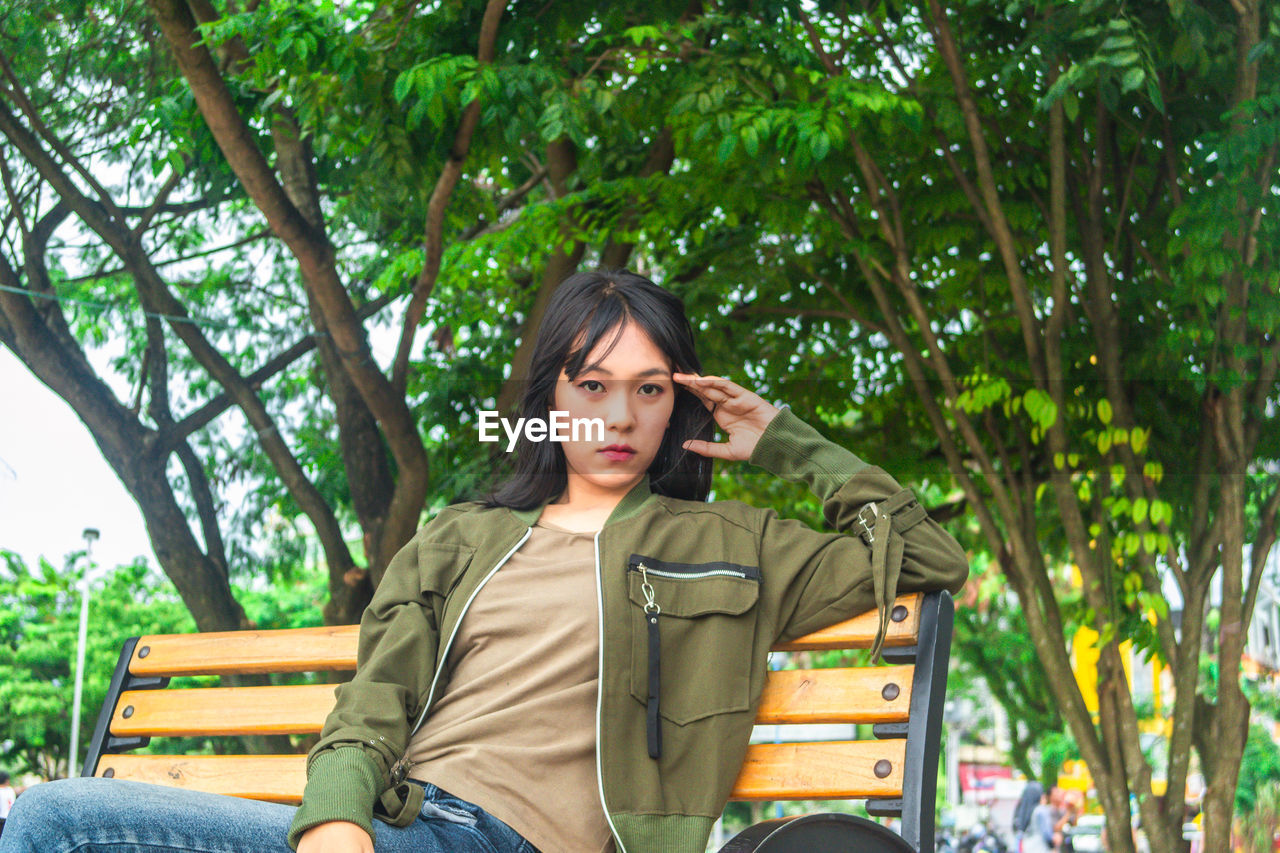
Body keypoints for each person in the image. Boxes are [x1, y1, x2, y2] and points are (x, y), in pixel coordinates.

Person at [0, 269, 969, 853]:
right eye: (591, 384)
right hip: (400, 823)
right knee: (55, 820)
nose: (620, 416)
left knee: (55, 827)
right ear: (550, 395)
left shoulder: (734, 544)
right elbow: (372, 703)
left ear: (678, 405)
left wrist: (786, 443)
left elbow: (930, 554)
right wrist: (334, 820)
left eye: (647, 389)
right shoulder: (462, 536)